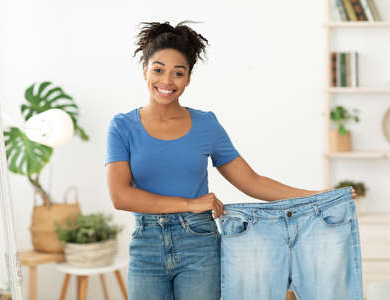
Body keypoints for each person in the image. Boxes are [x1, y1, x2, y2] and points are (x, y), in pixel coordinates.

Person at [105, 20, 357, 300]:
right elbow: (121, 196)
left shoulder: (206, 125)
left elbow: (251, 181)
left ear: (188, 78)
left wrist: (315, 197)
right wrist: (189, 204)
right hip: (146, 244)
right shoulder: (122, 126)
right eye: (158, 70)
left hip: (198, 244)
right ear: (145, 72)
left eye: (178, 73)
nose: (166, 81)